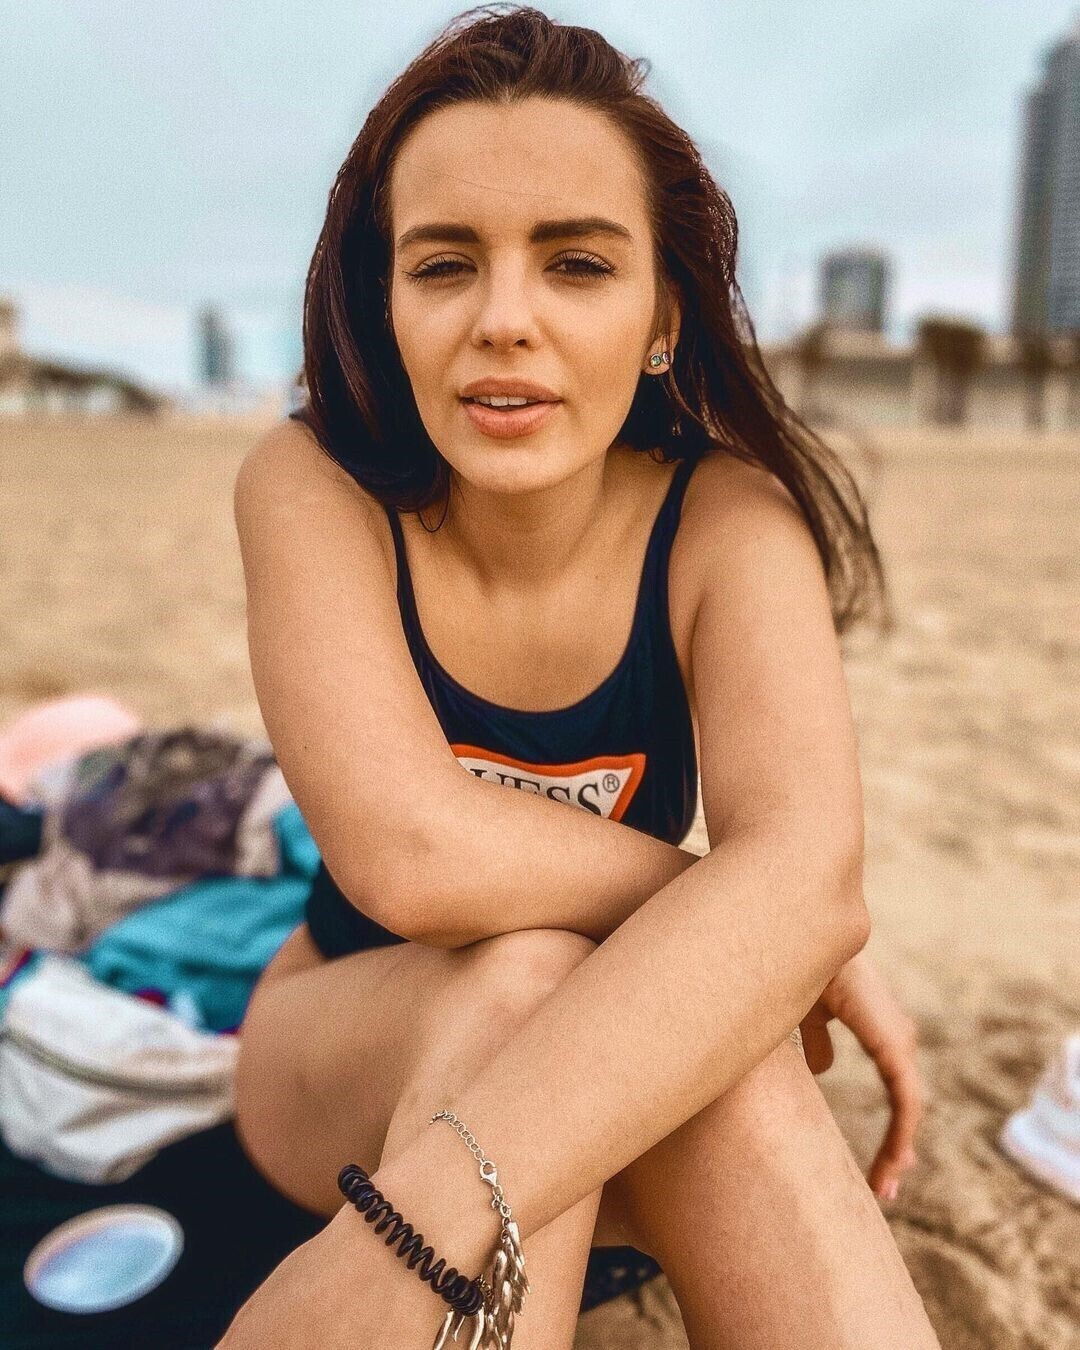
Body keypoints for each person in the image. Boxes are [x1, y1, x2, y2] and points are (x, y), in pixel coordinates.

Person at [221, 6, 940, 1346]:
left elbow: (810, 876)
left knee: (681, 1027)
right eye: (445, 265)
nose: (505, 321)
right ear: (384, 302)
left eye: (576, 264)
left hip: (594, 1074)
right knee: (546, 980)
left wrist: (792, 912)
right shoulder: (314, 482)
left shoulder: (726, 524)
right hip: (335, 1042)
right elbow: (410, 858)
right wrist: (768, 921)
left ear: (663, 312)